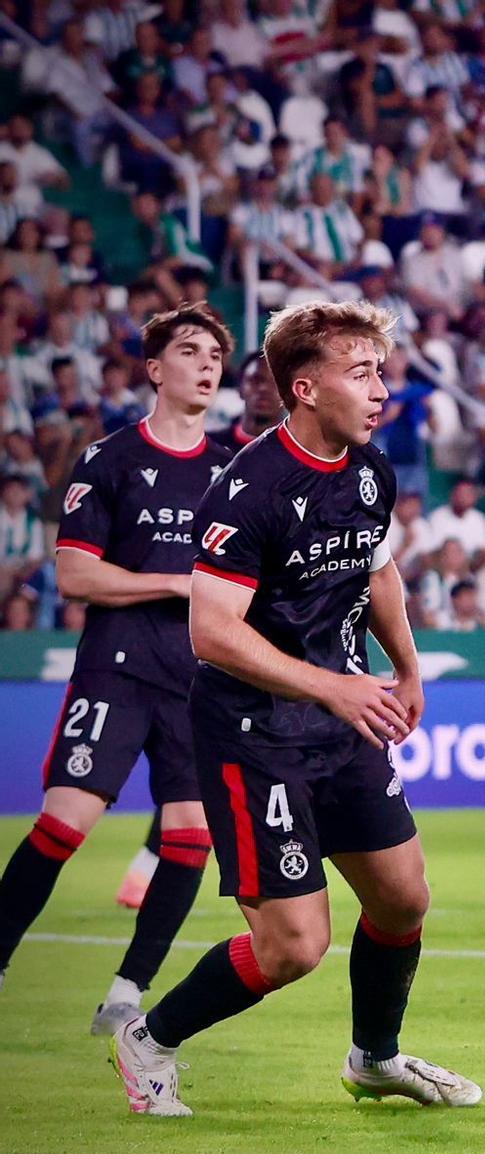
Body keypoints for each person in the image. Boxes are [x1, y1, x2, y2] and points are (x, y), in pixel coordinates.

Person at [110, 300, 481, 1116]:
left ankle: (374, 1059)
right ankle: (150, 1038)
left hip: (341, 720)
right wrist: (335, 686)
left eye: (381, 371)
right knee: (292, 948)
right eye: (362, 373)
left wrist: (404, 668)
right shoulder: (249, 491)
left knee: (403, 897)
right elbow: (211, 635)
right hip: (254, 734)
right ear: (304, 389)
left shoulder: (371, 470)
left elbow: (375, 570)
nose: (381, 389)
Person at [0, 303, 234, 1036]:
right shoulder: (110, 460)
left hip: (196, 681)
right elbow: (75, 576)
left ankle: (129, 993)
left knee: (191, 834)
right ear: (155, 369)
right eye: (189, 351)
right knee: (66, 823)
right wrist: (170, 583)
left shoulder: (231, 475)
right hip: (117, 669)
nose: (205, 365)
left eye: (215, 357)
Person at [120, 347, 284, 911]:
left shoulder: (298, 459)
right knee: (193, 757)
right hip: (207, 626)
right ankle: (157, 856)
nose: (263, 389)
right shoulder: (213, 458)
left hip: (273, 630)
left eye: (271, 381)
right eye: (253, 381)